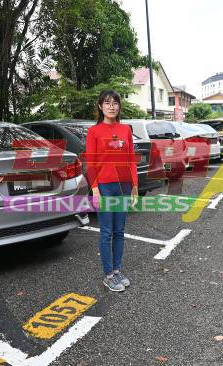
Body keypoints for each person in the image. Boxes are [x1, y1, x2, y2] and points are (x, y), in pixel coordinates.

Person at [85, 90, 139, 292]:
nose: (111, 106)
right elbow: (91, 163)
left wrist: (134, 186)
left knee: (119, 231)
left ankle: (117, 271)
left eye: (115, 103)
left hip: (123, 186)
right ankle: (108, 275)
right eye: (107, 103)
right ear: (100, 106)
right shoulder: (94, 132)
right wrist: (96, 189)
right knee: (106, 232)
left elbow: (131, 159)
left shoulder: (125, 129)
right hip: (105, 187)